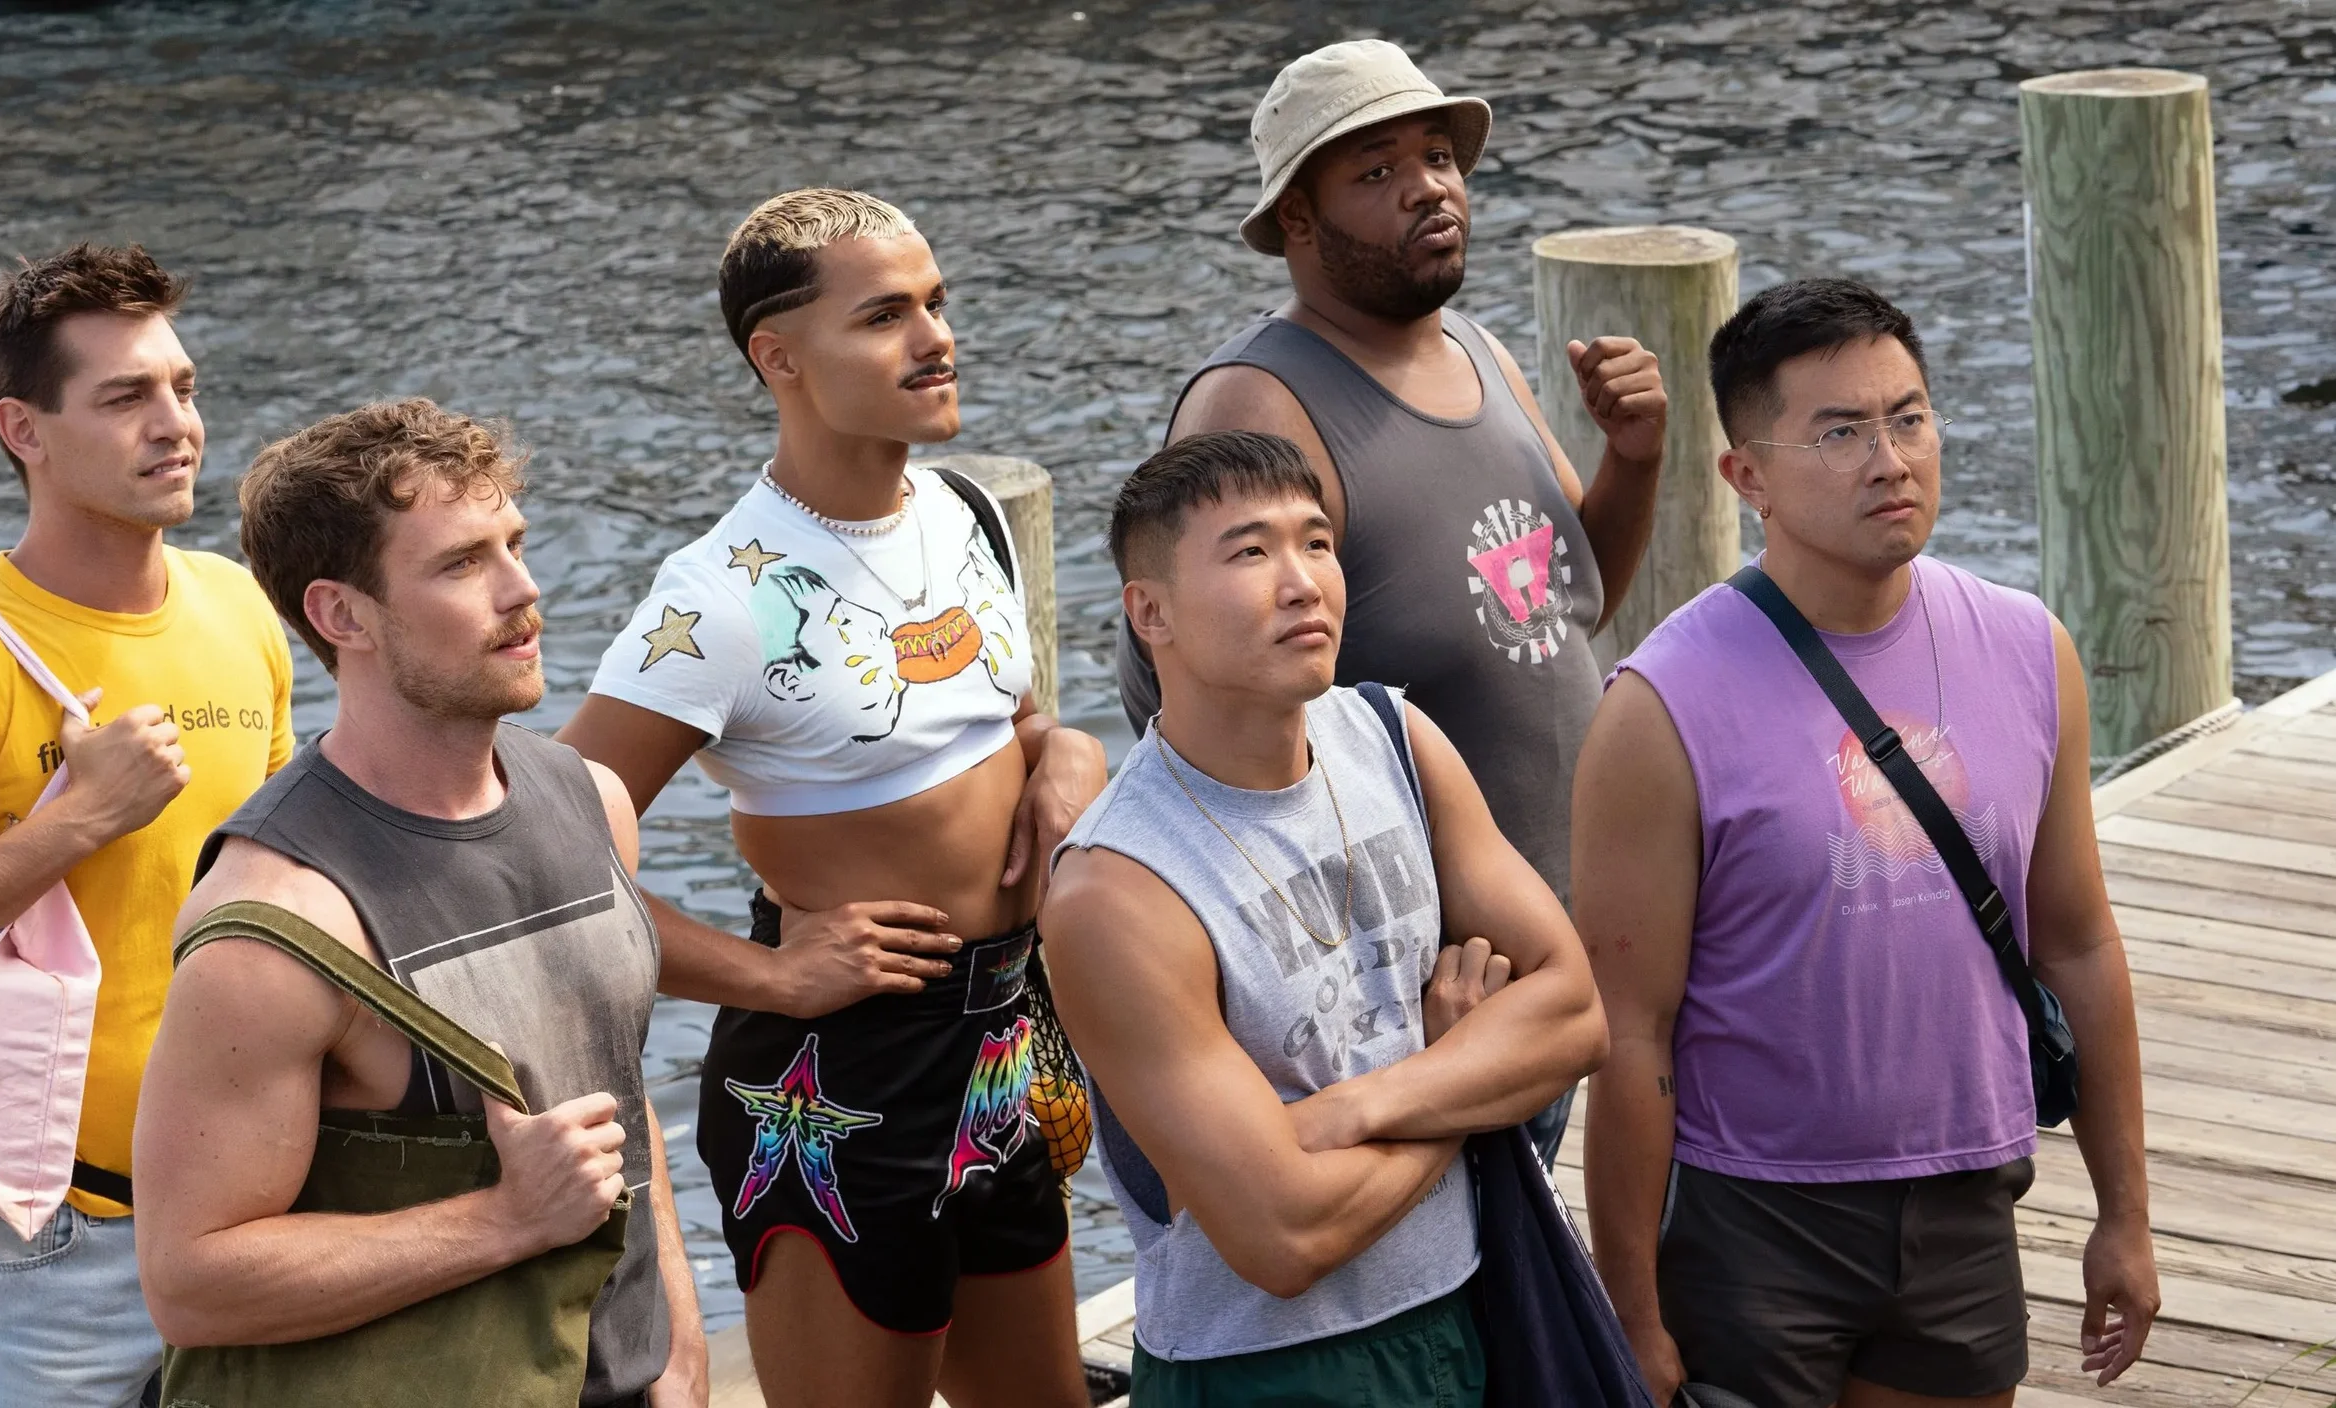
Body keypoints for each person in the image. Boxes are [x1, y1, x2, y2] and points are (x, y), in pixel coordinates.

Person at [554, 188, 1107, 1408]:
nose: (934, 337)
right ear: (779, 357)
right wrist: (767, 975)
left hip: (1004, 1042)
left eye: (936, 304)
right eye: (886, 316)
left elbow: (1005, 720)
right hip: (838, 1077)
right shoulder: (718, 601)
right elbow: (542, 871)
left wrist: (1065, 752)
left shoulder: (964, 513)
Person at [1577, 279, 2160, 1408]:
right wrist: (1635, 1313)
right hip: (1750, 1211)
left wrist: (2123, 1214)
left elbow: (2078, 945)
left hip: (1963, 1192)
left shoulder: (2028, 650)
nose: (1889, 458)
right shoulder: (1659, 706)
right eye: (1838, 432)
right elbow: (1629, 1033)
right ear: (1746, 476)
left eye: (1907, 416)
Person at [1122, 38, 1669, 1164]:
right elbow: (1177, 696)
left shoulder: (1476, 350)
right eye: (1374, 171)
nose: (1427, 184)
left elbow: (1567, 608)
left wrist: (1633, 460)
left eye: (1437, 156)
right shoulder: (1261, 402)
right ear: (1297, 223)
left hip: (1553, 948)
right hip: (1427, 990)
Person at [131, 400, 707, 1405]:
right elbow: (190, 1282)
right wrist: (505, 1219)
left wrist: (681, 1354)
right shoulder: (279, 925)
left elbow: (617, 1103)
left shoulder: (593, 803)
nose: (523, 590)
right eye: (460, 563)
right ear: (340, 614)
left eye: (514, 544)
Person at [1043, 430, 1609, 1405]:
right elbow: (1281, 1236)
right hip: (1269, 1367)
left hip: (1470, 1304)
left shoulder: (1394, 735)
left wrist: (1362, 1102)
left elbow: (1575, 1014)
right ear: (1150, 612)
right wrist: (1467, 1075)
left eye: (1316, 542)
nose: (1303, 580)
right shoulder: (1116, 888)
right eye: (1251, 551)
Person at [0, 243, 294, 1406]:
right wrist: (77, 821)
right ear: (23, 429)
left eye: (183, 387)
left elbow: (285, 899)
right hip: (55, 1243)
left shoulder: (239, 605)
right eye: (125, 396)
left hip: (262, 1210)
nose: (175, 422)